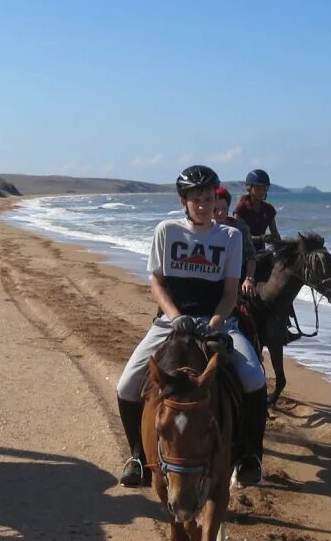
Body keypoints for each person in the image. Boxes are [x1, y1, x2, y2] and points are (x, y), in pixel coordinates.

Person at [115, 165, 268, 489]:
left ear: (217, 200)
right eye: (196, 199)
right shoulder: (166, 231)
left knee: (254, 377)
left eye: (209, 199)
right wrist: (174, 316)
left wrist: (214, 324)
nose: (203, 206)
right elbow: (157, 282)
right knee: (127, 385)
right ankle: (136, 458)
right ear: (183, 200)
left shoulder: (230, 236)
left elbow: (230, 291)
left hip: (216, 321)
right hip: (170, 321)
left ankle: (251, 456)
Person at [233, 169, 282, 254]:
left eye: (264, 188)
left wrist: (283, 247)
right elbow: (236, 236)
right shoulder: (241, 208)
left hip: (260, 252)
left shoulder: (269, 209)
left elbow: (275, 233)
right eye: (258, 188)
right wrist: (261, 238)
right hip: (241, 252)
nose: (262, 191)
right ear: (250, 188)